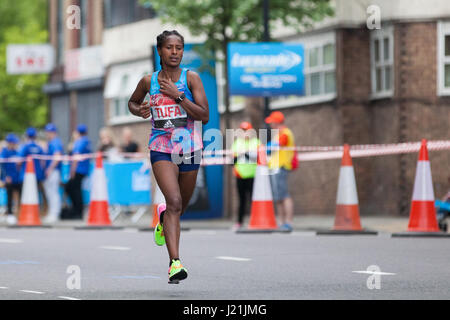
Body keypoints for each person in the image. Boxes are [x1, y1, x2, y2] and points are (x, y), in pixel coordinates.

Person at [128, 30, 209, 283]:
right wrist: (139, 110)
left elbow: (204, 115)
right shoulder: (148, 81)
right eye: (169, 48)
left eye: (179, 48)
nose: (174, 52)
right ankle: (175, 263)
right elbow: (132, 103)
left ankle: (164, 218)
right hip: (161, 147)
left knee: (179, 207)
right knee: (173, 200)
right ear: (160, 51)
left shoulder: (191, 78)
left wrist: (178, 95)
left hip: (189, 148)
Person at [265, 111, 295, 231]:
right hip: (275, 167)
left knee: (284, 195)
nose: (270, 124)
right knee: (278, 196)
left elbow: (274, 146)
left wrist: (265, 148)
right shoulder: (279, 134)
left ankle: (288, 222)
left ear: (276, 122)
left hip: (281, 166)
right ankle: (281, 222)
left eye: (271, 122)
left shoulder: (285, 133)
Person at [231, 121, 260, 230]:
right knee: (241, 200)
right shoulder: (237, 143)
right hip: (240, 175)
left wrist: (245, 153)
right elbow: (233, 159)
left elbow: (258, 158)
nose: (245, 133)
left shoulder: (256, 142)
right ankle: (239, 221)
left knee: (254, 199)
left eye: (247, 130)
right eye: (243, 131)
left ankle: (255, 220)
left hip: (253, 175)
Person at [64, 124, 91, 220]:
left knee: (73, 190)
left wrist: (72, 171)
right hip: (83, 170)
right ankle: (77, 210)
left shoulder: (79, 142)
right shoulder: (87, 141)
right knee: (74, 189)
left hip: (77, 170)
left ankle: (77, 211)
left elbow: (76, 157)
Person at [18, 127, 46, 212]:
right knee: (36, 194)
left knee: (24, 194)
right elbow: (43, 161)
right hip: (37, 175)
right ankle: (37, 212)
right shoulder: (39, 147)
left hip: (25, 175)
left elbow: (19, 161)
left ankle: (24, 212)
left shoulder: (25, 147)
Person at [43, 123, 64, 224]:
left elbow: (57, 156)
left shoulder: (55, 142)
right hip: (52, 170)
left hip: (53, 171)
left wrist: (50, 169)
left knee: (53, 192)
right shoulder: (52, 142)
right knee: (50, 192)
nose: (47, 134)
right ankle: (52, 212)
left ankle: (54, 213)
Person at [0, 134, 21, 225]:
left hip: (17, 178)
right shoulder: (4, 152)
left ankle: (17, 213)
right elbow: (2, 166)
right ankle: (9, 213)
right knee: (9, 195)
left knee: (18, 196)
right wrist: (5, 176)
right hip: (8, 178)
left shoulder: (16, 152)